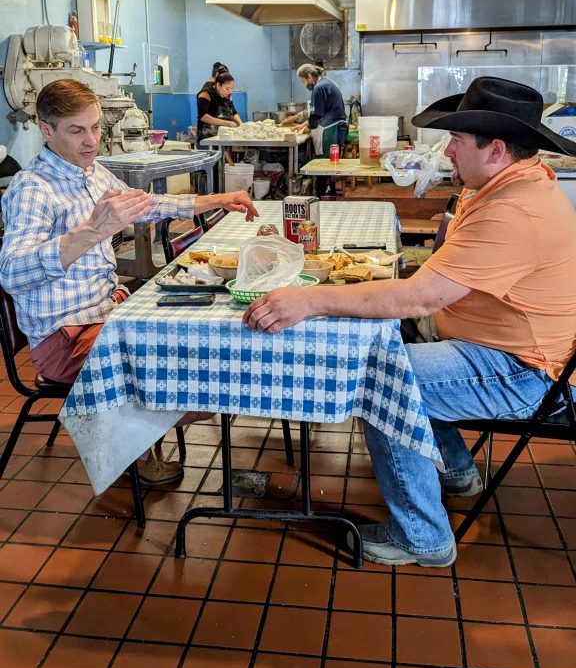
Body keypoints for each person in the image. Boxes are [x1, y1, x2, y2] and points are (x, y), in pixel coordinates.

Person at [243, 77, 576, 566]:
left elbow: (420, 298)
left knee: (384, 376)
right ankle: (457, 471)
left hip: (525, 371)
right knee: (402, 355)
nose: (448, 151)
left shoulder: (514, 209)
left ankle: (422, 536)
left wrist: (310, 302)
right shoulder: (509, 183)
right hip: (505, 349)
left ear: (497, 149)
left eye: (457, 142)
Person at [0, 79, 258, 485]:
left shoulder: (92, 171)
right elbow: (12, 272)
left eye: (97, 127)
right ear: (45, 130)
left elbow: (147, 204)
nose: (92, 141)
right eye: (77, 130)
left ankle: (135, 437)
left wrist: (215, 200)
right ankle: (130, 448)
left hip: (105, 314)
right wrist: (89, 231)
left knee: (194, 342)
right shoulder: (33, 189)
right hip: (64, 337)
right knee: (182, 367)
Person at [291, 63, 348, 198]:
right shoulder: (326, 83)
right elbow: (321, 112)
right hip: (337, 127)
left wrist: (307, 127)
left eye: (303, 81)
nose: (304, 84)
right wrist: (304, 124)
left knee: (323, 161)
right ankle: (331, 190)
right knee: (331, 161)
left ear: (309, 77)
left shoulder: (318, 88)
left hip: (330, 130)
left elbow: (317, 117)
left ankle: (320, 194)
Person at [196, 70, 242, 144]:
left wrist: (241, 124)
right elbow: (203, 116)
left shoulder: (228, 95)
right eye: (227, 88)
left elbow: (233, 111)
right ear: (218, 85)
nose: (230, 91)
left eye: (231, 88)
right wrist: (225, 123)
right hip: (207, 139)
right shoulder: (205, 94)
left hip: (223, 138)